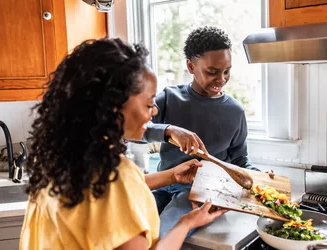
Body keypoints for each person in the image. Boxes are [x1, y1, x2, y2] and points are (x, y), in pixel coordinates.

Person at [19, 38, 226, 250]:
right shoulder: (116, 177)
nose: (154, 111)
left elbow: (102, 193)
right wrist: (186, 223)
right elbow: (116, 190)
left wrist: (172, 175)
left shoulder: (59, 160)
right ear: (113, 107)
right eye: (148, 103)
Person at [143, 26, 259, 238]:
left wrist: (259, 177)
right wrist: (168, 130)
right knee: (129, 230)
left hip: (200, 192)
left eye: (227, 71)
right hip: (162, 183)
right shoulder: (169, 98)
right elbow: (134, 131)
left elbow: (240, 160)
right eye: (212, 72)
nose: (221, 79)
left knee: (162, 236)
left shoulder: (235, 112)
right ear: (190, 66)